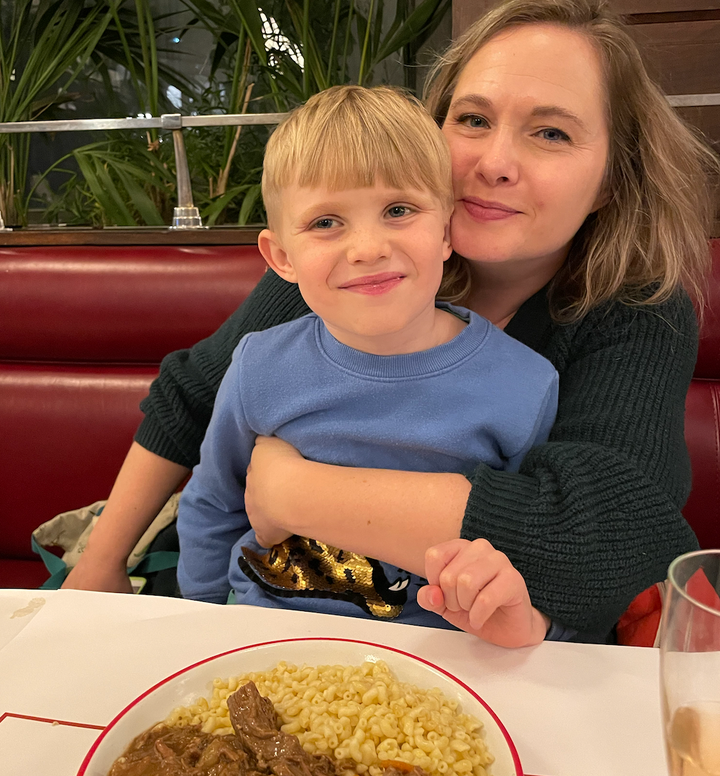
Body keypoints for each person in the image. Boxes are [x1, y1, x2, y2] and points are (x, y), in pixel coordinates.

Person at [63, 0, 718, 646]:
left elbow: (611, 539)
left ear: (610, 177)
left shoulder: (638, 306)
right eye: (472, 119)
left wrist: (296, 492)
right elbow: (192, 395)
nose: (495, 162)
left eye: (551, 132)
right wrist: (100, 565)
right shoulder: (355, 268)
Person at [175, 85, 559, 649]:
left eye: (398, 210)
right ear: (281, 256)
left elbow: (534, 555)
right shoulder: (259, 364)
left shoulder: (524, 385)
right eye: (326, 222)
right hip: (262, 634)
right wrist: (201, 628)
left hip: (443, 651)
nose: (367, 248)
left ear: (448, 230)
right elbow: (213, 502)